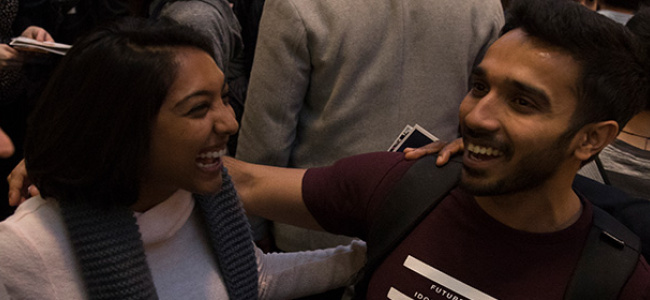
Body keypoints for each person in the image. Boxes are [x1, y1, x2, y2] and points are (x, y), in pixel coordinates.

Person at [228, 0, 650, 298]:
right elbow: (245, 180)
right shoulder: (406, 186)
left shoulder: (611, 278)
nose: (476, 116)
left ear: (592, 138)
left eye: (523, 102)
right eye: (479, 86)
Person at [0, 18, 365, 300]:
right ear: (123, 128)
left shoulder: (201, 201)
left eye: (223, 98)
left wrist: (380, 251)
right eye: (198, 109)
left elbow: (256, 278)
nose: (230, 122)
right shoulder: (25, 248)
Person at [236, 0, 505, 252]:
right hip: (422, 222)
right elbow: (487, 119)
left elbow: (267, 133)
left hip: (312, 228)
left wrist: (250, 228)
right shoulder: (482, 6)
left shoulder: (297, 5)